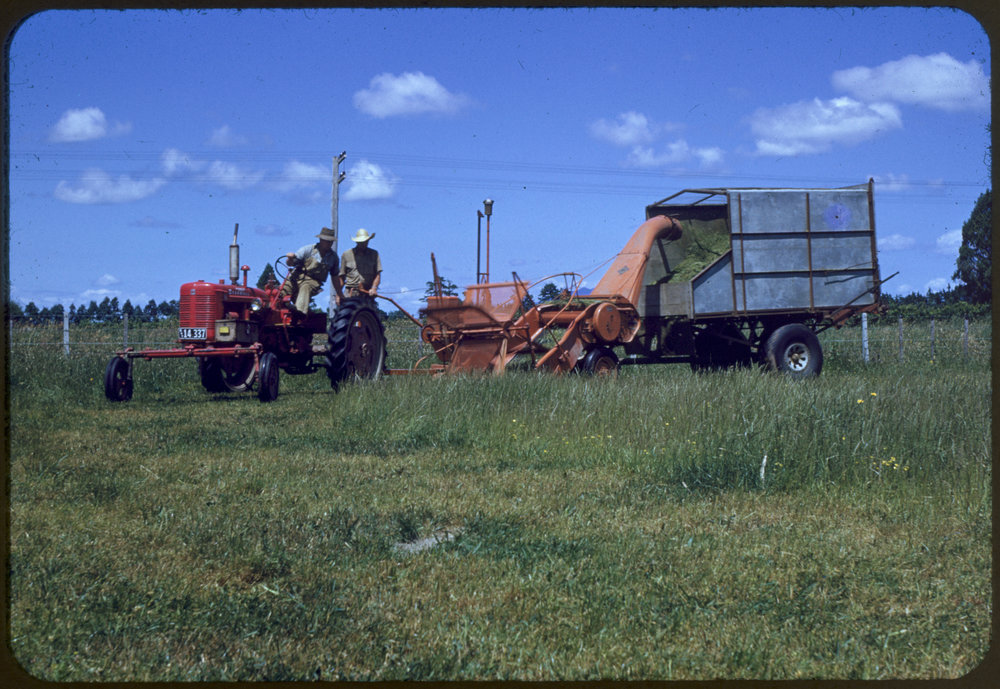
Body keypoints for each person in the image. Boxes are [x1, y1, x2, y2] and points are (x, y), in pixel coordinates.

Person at [282, 227, 344, 315]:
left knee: (306, 287)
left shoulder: (333, 258)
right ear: (321, 240)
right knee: (282, 291)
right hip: (296, 277)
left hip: (313, 282)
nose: (329, 243)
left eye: (330, 241)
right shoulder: (308, 250)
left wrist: (339, 293)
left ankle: (299, 314)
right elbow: (291, 263)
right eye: (326, 241)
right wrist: (290, 258)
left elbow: (335, 277)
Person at [339, 228, 382, 301]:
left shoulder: (374, 254)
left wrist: (374, 288)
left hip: (367, 292)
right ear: (356, 242)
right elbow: (341, 276)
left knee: (368, 311)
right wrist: (338, 294)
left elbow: (377, 274)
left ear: (368, 241)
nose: (363, 244)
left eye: (365, 241)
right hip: (350, 292)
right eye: (361, 242)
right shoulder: (346, 255)